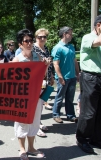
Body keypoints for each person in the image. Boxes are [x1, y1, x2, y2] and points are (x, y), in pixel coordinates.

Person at [12, 29, 50, 160]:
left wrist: (45, 66)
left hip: (36, 94)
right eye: (26, 41)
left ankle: (31, 148)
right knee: (22, 122)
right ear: (20, 44)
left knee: (34, 121)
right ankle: (22, 149)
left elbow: (42, 76)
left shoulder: (38, 57)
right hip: (22, 96)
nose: (29, 43)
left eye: (30, 40)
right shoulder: (17, 60)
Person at [76, 15, 101, 153]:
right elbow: (97, 42)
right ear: (98, 26)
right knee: (89, 112)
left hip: (100, 77)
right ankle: (82, 139)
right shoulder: (88, 37)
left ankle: (96, 139)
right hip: (91, 77)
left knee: (99, 112)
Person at [51, 26, 79, 124]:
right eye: (70, 34)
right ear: (64, 34)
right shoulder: (58, 48)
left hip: (72, 77)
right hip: (63, 78)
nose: (71, 36)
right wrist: (60, 77)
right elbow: (56, 64)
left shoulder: (71, 47)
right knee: (59, 97)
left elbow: (75, 61)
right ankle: (56, 114)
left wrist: (77, 73)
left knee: (70, 98)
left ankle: (71, 115)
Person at [33, 28, 54, 137]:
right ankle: (35, 127)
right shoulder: (33, 48)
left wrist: (51, 75)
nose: (42, 38)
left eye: (44, 36)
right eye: (39, 37)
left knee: (41, 103)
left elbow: (49, 63)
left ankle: (38, 122)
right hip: (37, 79)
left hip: (46, 79)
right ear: (36, 38)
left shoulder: (46, 48)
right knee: (36, 104)